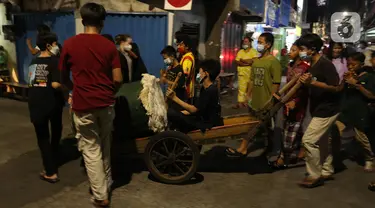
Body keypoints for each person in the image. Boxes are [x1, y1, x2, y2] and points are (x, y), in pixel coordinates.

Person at [59, 3, 122, 207]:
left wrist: (73, 89)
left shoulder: (69, 44)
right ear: (102, 23)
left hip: (83, 105)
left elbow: (62, 77)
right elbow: (118, 79)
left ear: (83, 21)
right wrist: (109, 92)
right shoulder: (109, 46)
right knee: (105, 145)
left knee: (91, 149)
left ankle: (100, 196)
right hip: (106, 104)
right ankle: (107, 182)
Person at [226, 32, 282, 157]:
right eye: (258, 42)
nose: (258, 45)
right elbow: (251, 80)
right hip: (254, 101)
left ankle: (243, 148)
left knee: (254, 126)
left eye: (261, 42)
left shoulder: (274, 62)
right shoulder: (256, 61)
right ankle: (273, 149)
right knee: (260, 126)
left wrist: (271, 100)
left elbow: (276, 82)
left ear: (268, 45)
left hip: (266, 101)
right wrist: (248, 94)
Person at [297, 34, 341, 188]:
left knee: (308, 140)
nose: (300, 52)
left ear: (312, 49)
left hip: (328, 109)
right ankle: (327, 170)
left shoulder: (325, 64)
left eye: (302, 49)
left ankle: (314, 175)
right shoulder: (312, 65)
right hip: (319, 108)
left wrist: (313, 83)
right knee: (322, 140)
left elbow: (336, 87)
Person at [28, 32, 65, 183]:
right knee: (56, 130)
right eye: (55, 43)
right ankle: (52, 165)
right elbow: (56, 84)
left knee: (42, 137)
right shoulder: (56, 61)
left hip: (36, 102)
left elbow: (31, 83)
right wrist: (66, 88)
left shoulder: (33, 62)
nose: (57, 46)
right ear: (49, 45)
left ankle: (49, 168)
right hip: (52, 102)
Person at [331, 52, 375, 172]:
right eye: (349, 64)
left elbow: (371, 95)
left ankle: (369, 158)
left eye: (353, 64)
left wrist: (357, 85)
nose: (350, 67)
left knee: (361, 138)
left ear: (361, 64)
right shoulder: (349, 76)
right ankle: (334, 159)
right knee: (334, 132)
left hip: (359, 112)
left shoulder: (368, 77)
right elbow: (338, 90)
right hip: (344, 111)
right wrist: (344, 81)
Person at [271, 40, 310, 169]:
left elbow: (304, 90)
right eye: (290, 50)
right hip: (287, 103)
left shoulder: (305, 68)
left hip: (297, 106)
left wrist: (296, 101)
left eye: (293, 50)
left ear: (301, 52)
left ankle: (283, 158)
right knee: (289, 131)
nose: (290, 52)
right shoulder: (290, 66)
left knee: (290, 134)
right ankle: (294, 154)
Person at [166, 59, 223, 133]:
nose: (198, 74)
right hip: (200, 119)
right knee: (174, 113)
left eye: (200, 72)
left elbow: (194, 110)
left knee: (171, 113)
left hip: (206, 124)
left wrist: (174, 98)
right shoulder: (204, 88)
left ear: (206, 74)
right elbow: (199, 109)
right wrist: (181, 113)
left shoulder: (211, 90)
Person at [233, 36, 258, 109]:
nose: (244, 43)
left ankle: (248, 103)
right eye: (244, 42)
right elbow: (237, 61)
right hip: (242, 74)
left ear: (250, 43)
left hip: (251, 74)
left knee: (250, 90)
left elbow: (254, 60)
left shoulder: (254, 51)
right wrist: (247, 63)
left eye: (246, 41)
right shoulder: (240, 51)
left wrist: (243, 60)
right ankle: (240, 103)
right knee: (241, 90)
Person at [160, 46, 186, 110]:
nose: (164, 61)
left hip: (177, 101)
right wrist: (163, 75)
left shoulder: (179, 69)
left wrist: (167, 81)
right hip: (170, 100)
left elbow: (180, 85)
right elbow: (166, 83)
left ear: (172, 56)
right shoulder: (170, 68)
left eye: (165, 58)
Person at [177, 34, 196, 104]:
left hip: (185, 93)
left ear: (187, 46)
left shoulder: (187, 58)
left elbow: (184, 77)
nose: (178, 47)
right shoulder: (184, 57)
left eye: (181, 45)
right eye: (178, 45)